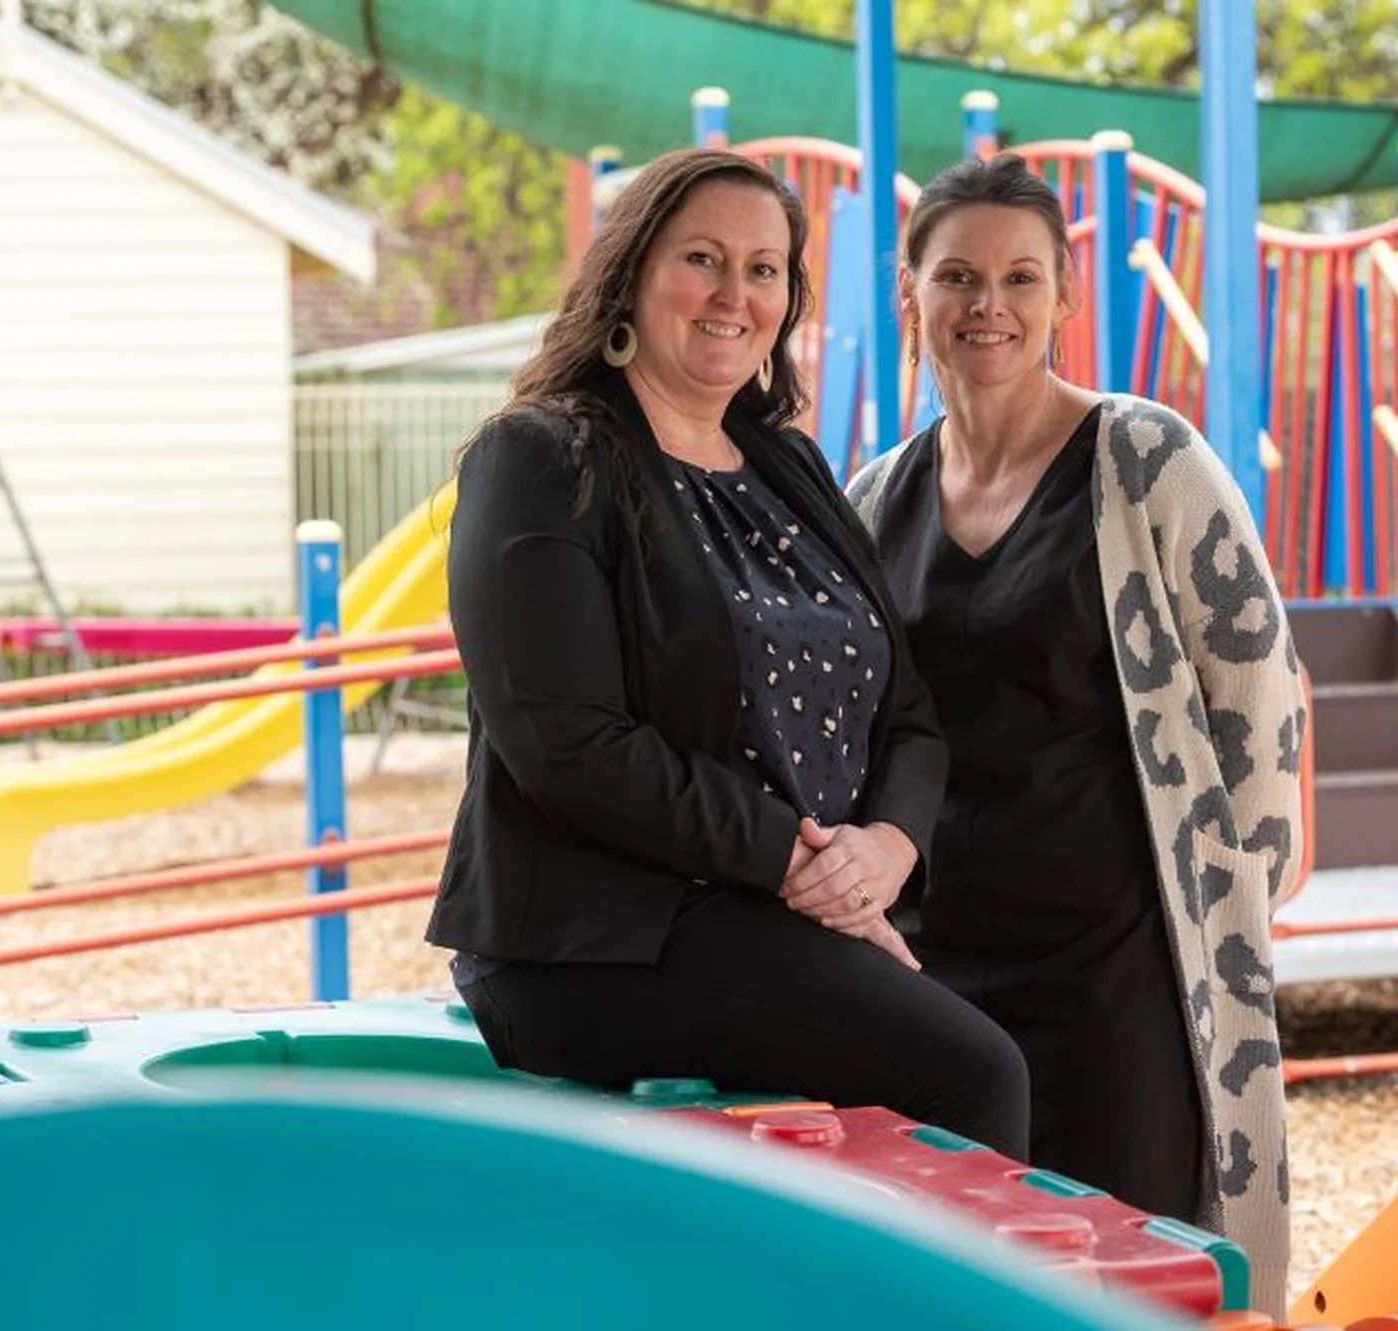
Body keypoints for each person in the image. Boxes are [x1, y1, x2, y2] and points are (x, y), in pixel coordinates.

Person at [428, 148, 1029, 1159]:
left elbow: (909, 711)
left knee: (994, 1022)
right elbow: (565, 742)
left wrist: (884, 848)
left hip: (780, 911)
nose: (733, 294)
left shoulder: (786, 463)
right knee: (971, 1069)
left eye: (763, 270)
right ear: (630, 272)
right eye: (700, 258)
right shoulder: (543, 456)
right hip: (599, 936)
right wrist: (795, 864)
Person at [846, 154, 1306, 1318]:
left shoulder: (1145, 462)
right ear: (911, 298)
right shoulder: (870, 500)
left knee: (1130, 1281)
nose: (984, 304)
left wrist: (1230, 910)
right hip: (931, 980)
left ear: (1062, 298)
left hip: (1117, 980)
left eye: (1017, 276)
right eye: (955, 276)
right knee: (958, 1284)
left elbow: (1257, 694)